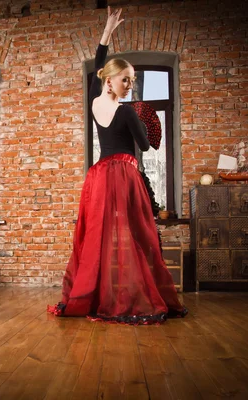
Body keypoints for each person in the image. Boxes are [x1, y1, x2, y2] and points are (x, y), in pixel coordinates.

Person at [48, 7, 187, 325]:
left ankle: (96, 296)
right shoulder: (125, 112)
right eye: (126, 80)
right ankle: (130, 297)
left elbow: (98, 65)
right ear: (111, 81)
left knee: (98, 235)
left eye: (132, 80)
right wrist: (143, 115)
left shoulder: (96, 101)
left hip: (98, 176)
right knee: (136, 234)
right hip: (123, 172)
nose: (130, 85)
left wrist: (106, 33)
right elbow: (147, 144)